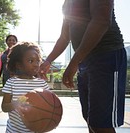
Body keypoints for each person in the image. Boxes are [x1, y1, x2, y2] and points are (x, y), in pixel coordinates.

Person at [39, 0, 127, 133]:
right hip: (85, 60)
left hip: (106, 56)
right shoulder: (68, 2)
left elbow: (101, 21)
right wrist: (48, 61)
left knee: (101, 124)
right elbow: (64, 36)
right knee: (90, 119)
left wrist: (74, 62)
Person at [1, 42, 50, 132]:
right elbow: (4, 107)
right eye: (31, 61)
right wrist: (17, 103)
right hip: (14, 131)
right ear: (18, 64)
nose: (36, 64)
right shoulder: (11, 83)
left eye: (38, 61)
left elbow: (48, 107)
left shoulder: (42, 84)